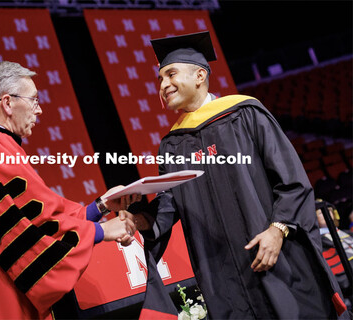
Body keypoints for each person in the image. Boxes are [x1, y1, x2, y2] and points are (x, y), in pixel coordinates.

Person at [134, 32, 348, 319]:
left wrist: (278, 230)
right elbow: (170, 204)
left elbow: (292, 180)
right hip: (223, 278)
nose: (163, 86)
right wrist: (140, 218)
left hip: (277, 257)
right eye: (160, 79)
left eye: (170, 74)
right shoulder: (172, 145)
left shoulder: (245, 114)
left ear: (199, 75)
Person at [0, 61, 140, 319]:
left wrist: (101, 206)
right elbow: (31, 227)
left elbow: (35, 213)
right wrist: (100, 231)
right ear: (7, 103)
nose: (39, 110)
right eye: (33, 100)